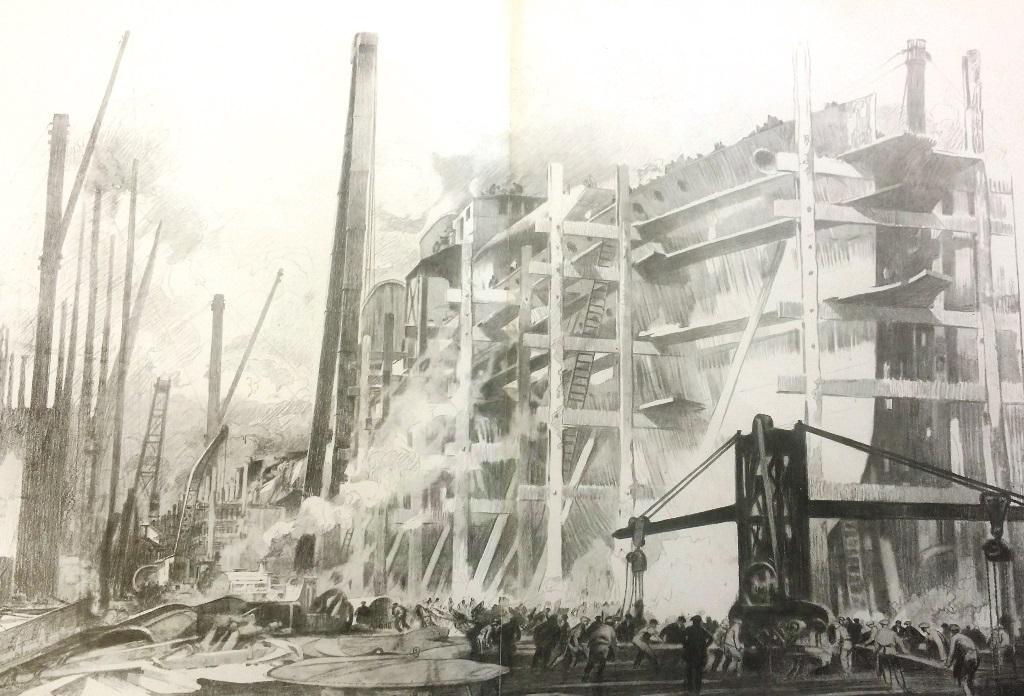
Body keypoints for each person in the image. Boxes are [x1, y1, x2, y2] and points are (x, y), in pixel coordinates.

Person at [945, 624, 979, 696]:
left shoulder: (954, 638)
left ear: (951, 632)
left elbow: (951, 652)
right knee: (970, 680)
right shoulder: (965, 637)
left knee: (963, 681)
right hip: (975, 658)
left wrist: (948, 664)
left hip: (968, 658)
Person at [682, 615, 713, 694]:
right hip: (700, 654)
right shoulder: (702, 630)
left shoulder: (688, 629)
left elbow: (682, 638)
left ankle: (690, 689)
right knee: (698, 673)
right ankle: (697, 690)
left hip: (690, 654)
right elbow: (711, 638)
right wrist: (705, 646)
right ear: (699, 622)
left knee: (689, 672)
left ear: (693, 621)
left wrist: (685, 645)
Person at [582, 616, 617, 682]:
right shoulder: (611, 629)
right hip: (604, 645)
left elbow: (592, 636)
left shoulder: (600, 627)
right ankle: (598, 675)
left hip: (594, 644)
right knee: (602, 661)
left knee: (591, 661)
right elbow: (614, 641)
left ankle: (585, 675)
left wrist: (589, 645)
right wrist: (614, 652)